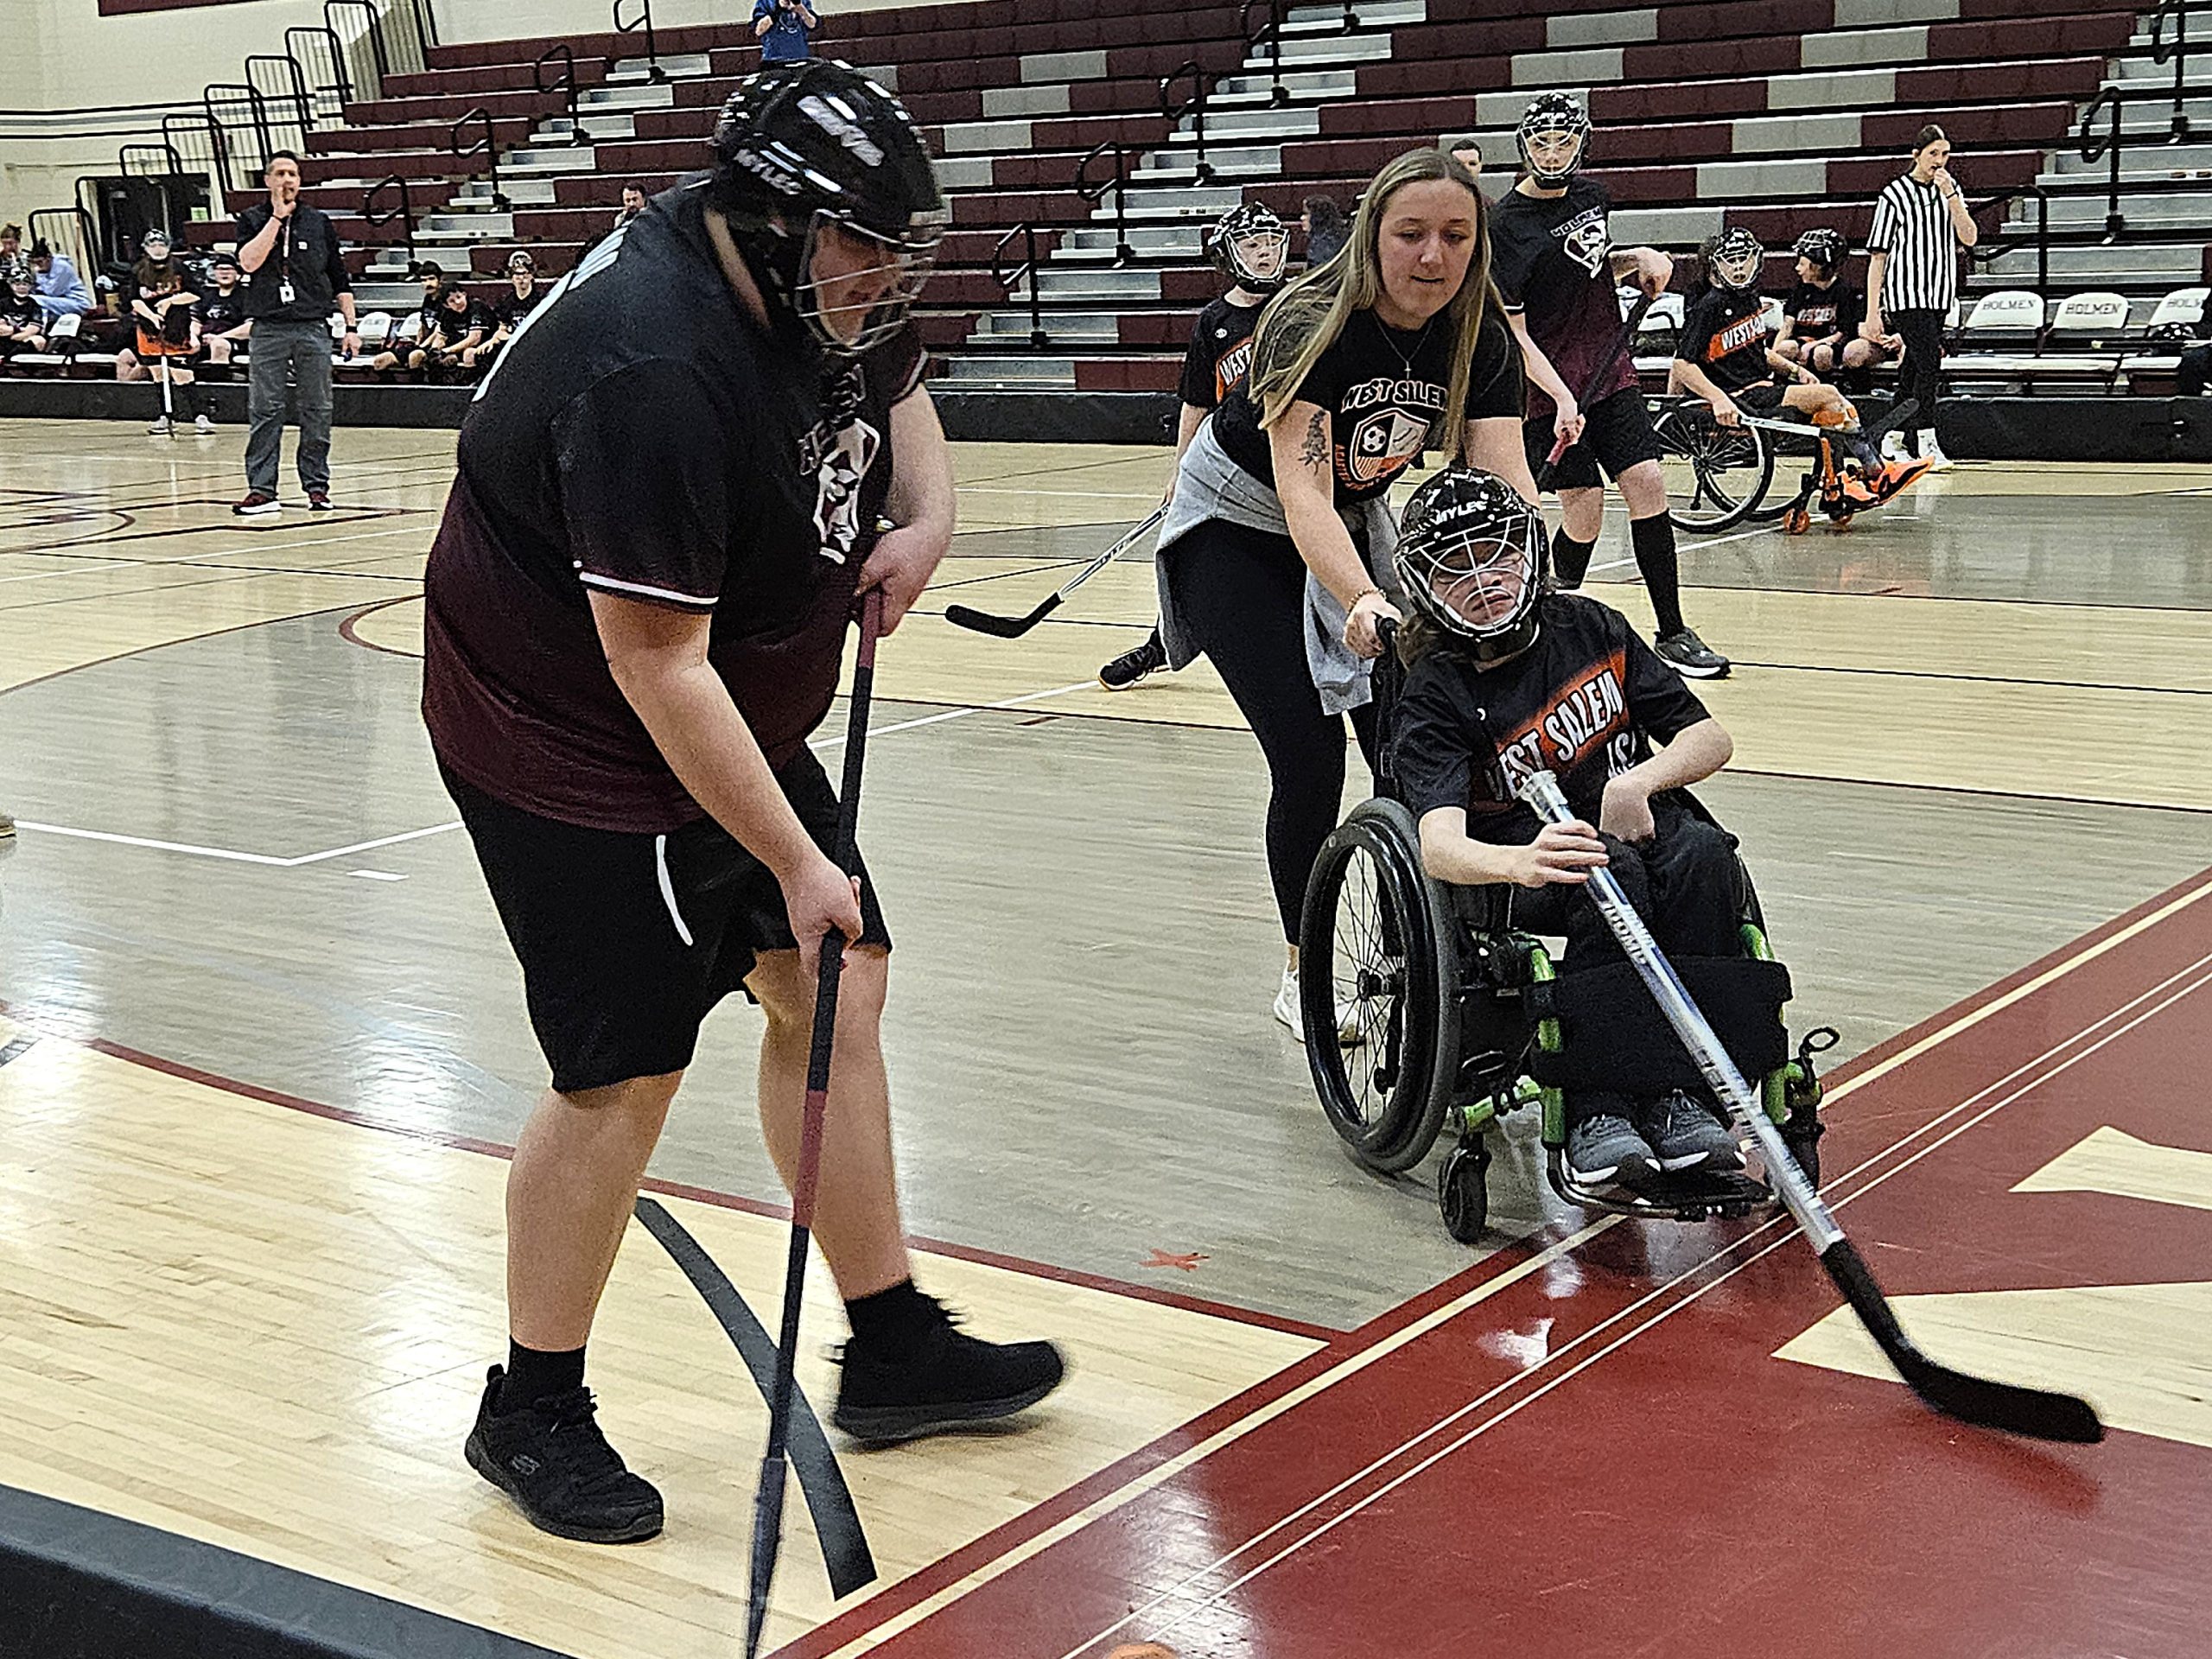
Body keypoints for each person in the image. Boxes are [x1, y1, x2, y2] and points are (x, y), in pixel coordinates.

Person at [420, 59, 1062, 1545]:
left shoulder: (807, 283)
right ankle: (531, 1406)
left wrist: (925, 524)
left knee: (834, 988)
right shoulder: (648, 364)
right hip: (576, 744)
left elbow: (896, 392)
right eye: (868, 248)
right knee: (626, 1074)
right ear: (772, 224)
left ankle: (892, 1342)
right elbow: (656, 664)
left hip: (719, 705)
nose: (888, 279)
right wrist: (793, 856)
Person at [1153, 147, 1535, 1037]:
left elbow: (1503, 477)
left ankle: (1422, 948)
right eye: (1410, 234)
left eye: (1454, 236)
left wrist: (1522, 592)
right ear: (1373, 237)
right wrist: (1366, 598)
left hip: (1354, 515)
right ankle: (1304, 969)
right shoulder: (1310, 317)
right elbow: (1302, 490)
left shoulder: (1477, 334)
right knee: (1309, 753)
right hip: (1237, 526)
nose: (1432, 258)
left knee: (1409, 745)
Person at [1386, 466, 1745, 1189]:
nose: (1483, 579)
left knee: (1706, 856)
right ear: (1423, 585)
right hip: (1524, 867)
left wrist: (1637, 780)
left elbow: (1709, 739)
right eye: (1454, 568)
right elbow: (1439, 846)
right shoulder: (1436, 689)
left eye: (1496, 555)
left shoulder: (1592, 627)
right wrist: (1519, 862)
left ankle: (1684, 1096)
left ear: (1530, 552)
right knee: (1605, 873)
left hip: (1625, 829)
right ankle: (1598, 1105)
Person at [1490, 92, 1728, 680]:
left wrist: (1636, 259)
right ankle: (1548, 610)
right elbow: (1514, 330)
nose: (1552, 153)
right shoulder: (1504, 224)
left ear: (1583, 143)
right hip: (1548, 383)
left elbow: (1586, 264)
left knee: (1647, 484)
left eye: (1564, 141)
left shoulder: (1594, 197)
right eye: (1541, 142)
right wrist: (1561, 396)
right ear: (1524, 147)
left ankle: (1672, 630)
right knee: (1585, 509)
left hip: (1609, 368)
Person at [1097, 202, 1289, 692]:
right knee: (1197, 562)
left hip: (1294, 463)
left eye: (1271, 243)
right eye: (1252, 246)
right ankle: (1163, 643)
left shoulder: (1298, 307)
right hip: (1230, 467)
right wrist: (1181, 471)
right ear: (1228, 255)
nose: (1265, 254)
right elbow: (1197, 402)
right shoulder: (1214, 321)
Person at [1670, 228, 1925, 504]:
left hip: (1761, 389)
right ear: (1714, 264)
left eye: (1744, 259)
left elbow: (1760, 352)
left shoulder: (1748, 299)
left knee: (1831, 405)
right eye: (1732, 261)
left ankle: (1845, 482)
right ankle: (1871, 473)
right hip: (1738, 396)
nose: (1740, 268)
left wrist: (1797, 371)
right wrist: (1715, 400)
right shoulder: (1708, 307)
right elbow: (1682, 364)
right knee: (1829, 396)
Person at [234, 149, 359, 514]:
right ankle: (262, 489)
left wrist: (350, 326)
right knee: (266, 409)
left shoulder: (318, 222)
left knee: (317, 409)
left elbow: (339, 277)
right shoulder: (251, 218)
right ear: (268, 180)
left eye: (294, 174)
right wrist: (276, 218)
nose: (288, 180)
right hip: (269, 328)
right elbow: (248, 262)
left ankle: (317, 486)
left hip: (313, 327)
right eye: (281, 174)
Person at [1866, 124, 1977, 471]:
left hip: (1940, 293)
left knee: (1913, 368)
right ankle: (1926, 438)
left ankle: (1890, 438)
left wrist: (1953, 198)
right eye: (1933, 154)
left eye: (1945, 155)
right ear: (1916, 155)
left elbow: (1970, 238)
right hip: (1905, 294)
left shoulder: (1950, 189)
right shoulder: (1894, 195)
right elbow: (1878, 257)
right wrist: (1872, 311)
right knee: (1930, 362)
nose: (1940, 161)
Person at [114, 232, 216, 435]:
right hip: (149, 328)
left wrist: (170, 301)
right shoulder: (138, 271)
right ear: (146, 248)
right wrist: (151, 316)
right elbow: (134, 300)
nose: (158, 248)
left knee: (181, 373)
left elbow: (195, 293)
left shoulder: (179, 267)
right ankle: (165, 415)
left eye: (162, 244)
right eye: (153, 245)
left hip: (176, 326)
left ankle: (200, 415)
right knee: (158, 372)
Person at [1773, 228, 1891, 387]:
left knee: (1822, 353)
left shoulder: (1843, 290)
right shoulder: (1801, 289)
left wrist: (1813, 345)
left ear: (1818, 266)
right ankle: (1779, 386)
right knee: (1785, 348)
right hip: (1803, 341)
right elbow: (1787, 327)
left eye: (1802, 264)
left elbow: (1842, 332)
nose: (1797, 269)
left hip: (1828, 343)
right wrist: (1773, 358)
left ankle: (1828, 387)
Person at [464, 251, 543, 371]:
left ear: (531, 276)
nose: (522, 279)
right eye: (517, 275)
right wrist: (491, 342)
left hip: (532, 343)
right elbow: (502, 328)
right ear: (512, 278)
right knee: (481, 353)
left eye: (525, 274)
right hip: (510, 341)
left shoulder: (540, 300)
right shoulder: (507, 302)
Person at [409, 280, 489, 378]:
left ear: (464, 294)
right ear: (446, 305)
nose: (458, 302)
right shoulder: (447, 315)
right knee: (421, 356)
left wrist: (447, 351)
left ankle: (470, 388)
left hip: (485, 345)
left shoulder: (477, 308)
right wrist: (435, 352)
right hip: (457, 348)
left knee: (469, 353)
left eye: (459, 297)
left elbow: (474, 339)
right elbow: (441, 337)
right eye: (452, 301)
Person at [194, 251, 252, 380]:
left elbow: (250, 327)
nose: (224, 273)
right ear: (214, 273)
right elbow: (195, 321)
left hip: (234, 342)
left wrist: (218, 337)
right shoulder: (206, 295)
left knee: (219, 345)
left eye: (229, 269)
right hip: (204, 340)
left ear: (237, 273)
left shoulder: (246, 296)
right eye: (220, 269)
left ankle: (217, 389)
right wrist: (193, 337)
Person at [29, 240, 92, 323]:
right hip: (60, 301)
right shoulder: (44, 269)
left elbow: (52, 291)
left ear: (48, 258)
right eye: (35, 263)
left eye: (40, 262)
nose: (38, 265)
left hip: (76, 302)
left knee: (36, 299)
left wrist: (40, 276)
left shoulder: (62, 266)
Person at [0, 272, 48, 359]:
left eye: (25, 284)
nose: (21, 287)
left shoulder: (34, 306)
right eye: (17, 284)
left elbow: (33, 329)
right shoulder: (2, 303)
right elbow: (1, 329)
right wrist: (18, 329)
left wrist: (12, 335)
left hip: (22, 340)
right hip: (3, 340)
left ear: (30, 287)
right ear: (11, 285)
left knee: (39, 341)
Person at [753, 0, 817, 64]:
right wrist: (778, 9)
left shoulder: (804, 1)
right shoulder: (765, 2)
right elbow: (759, 31)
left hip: (800, 57)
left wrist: (800, 9)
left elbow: (812, 25)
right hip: (774, 59)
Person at [1300, 194, 1351, 268]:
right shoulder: (1339, 236)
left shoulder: (1323, 245)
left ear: (1317, 217)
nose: (1302, 218)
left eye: (1306, 214)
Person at [0, 224, 28, 289]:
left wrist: (15, 262)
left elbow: (22, 278)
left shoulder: (24, 258)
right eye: (4, 244)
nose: (7, 247)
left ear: (18, 242)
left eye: (10, 243)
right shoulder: (1, 258)